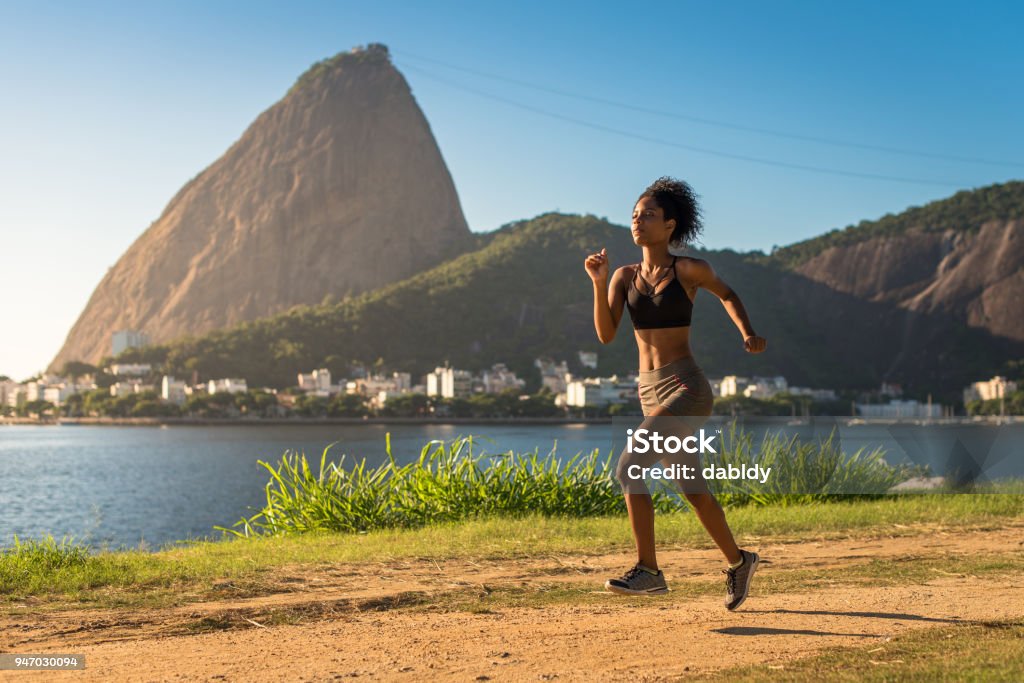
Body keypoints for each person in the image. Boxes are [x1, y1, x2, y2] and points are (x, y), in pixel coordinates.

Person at [584, 176, 767, 610]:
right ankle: (740, 562)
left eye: (648, 214)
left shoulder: (688, 270)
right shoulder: (624, 277)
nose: (638, 221)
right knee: (692, 488)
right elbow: (607, 335)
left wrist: (748, 332)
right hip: (650, 392)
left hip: (686, 386)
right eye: (634, 215)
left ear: (670, 225)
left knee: (630, 466)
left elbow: (728, 293)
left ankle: (648, 569)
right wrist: (598, 280)